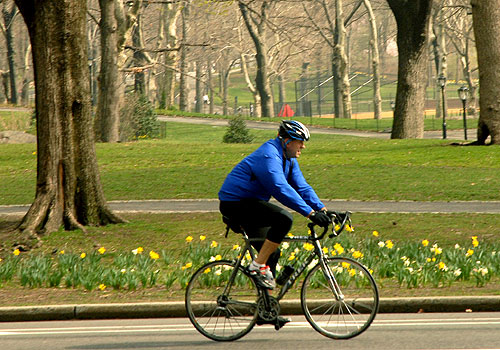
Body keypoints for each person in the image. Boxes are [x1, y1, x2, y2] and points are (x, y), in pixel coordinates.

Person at [218, 120, 330, 292]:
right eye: (300, 142)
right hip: (234, 204)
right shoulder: (269, 155)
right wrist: (310, 213)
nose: (303, 146)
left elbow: (302, 187)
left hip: (252, 203)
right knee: (284, 218)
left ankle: (266, 309)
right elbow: (280, 188)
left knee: (272, 252)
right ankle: (256, 266)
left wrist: (322, 210)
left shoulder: (289, 159)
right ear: (286, 141)